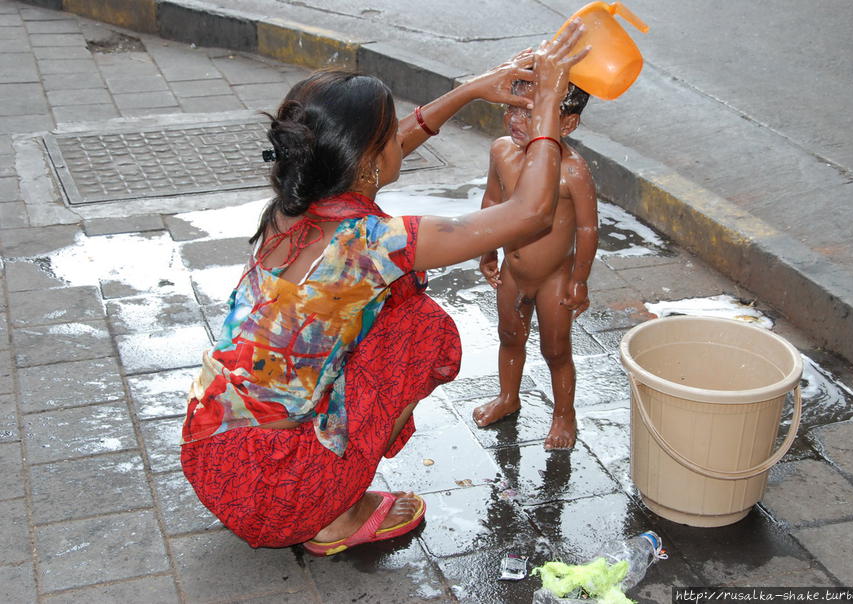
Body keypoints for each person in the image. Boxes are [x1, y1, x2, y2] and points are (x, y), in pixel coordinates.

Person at [179, 21, 587, 556]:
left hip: (213, 458)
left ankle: (321, 477)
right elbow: (530, 214)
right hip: (273, 493)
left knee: (392, 317)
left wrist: (473, 88)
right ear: (368, 162)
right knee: (423, 331)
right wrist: (549, 112)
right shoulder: (370, 244)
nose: (403, 139)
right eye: (391, 135)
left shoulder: (291, 205)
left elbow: (376, 156)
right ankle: (330, 512)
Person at [473, 79, 598, 450]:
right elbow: (492, 202)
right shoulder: (502, 153)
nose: (516, 119)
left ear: (567, 125)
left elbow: (588, 228)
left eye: (531, 113)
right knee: (509, 336)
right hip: (513, 271)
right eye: (512, 107)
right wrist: (487, 251)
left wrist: (580, 281)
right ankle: (508, 396)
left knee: (556, 350)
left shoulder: (571, 170)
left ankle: (564, 415)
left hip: (553, 279)